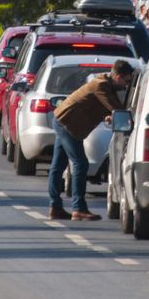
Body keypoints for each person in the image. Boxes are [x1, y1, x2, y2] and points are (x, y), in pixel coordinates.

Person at [49, 59, 134, 220]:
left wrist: (109, 116)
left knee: (58, 165)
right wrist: (128, 119)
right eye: (126, 81)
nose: (126, 85)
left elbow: (104, 107)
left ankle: (55, 206)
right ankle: (78, 208)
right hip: (67, 123)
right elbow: (117, 109)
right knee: (80, 163)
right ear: (118, 77)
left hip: (66, 121)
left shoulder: (105, 85)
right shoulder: (101, 85)